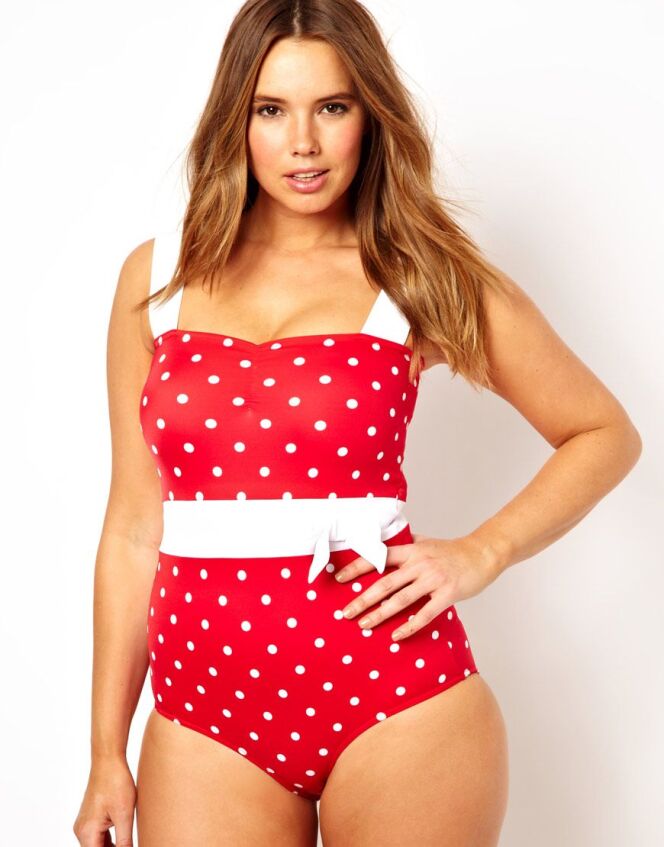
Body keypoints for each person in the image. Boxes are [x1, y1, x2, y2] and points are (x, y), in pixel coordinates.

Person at [73, 1, 642, 845]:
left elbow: (603, 432)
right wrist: (105, 754)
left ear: (370, 115)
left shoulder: (417, 274)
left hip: (395, 697)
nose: (303, 142)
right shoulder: (157, 279)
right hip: (203, 717)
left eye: (332, 107)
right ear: (236, 119)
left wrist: (481, 551)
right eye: (272, 110)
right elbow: (131, 527)